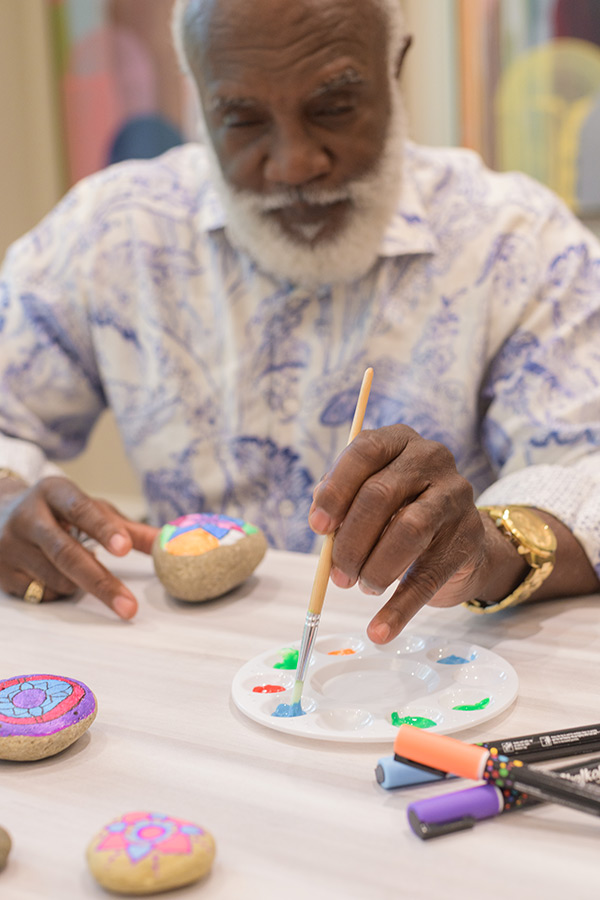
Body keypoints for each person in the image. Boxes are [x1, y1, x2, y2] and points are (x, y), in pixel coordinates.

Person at [0, 0, 599, 641]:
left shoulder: (521, 242)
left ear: (393, 67)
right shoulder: (112, 231)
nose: (293, 164)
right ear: (196, 92)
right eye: (242, 119)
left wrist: (485, 546)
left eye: (333, 107)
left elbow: (587, 477)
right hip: (186, 673)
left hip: (429, 674)